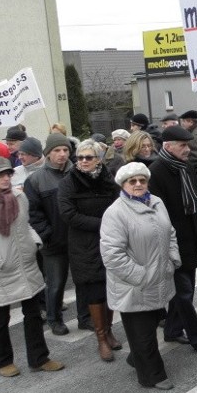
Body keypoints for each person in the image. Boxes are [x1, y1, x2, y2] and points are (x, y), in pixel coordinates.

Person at [100, 162, 179, 390]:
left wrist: (172, 258)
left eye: (142, 180)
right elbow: (112, 255)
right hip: (134, 285)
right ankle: (152, 376)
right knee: (143, 333)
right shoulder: (115, 213)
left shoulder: (157, 202)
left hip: (159, 277)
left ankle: (136, 357)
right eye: (132, 181)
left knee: (151, 323)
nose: (138, 184)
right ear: (123, 185)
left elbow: (169, 232)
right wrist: (141, 276)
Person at [0, 157, 64, 377]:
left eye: (7, 173)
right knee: (0, 319)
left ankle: (39, 358)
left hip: (27, 265)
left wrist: (34, 243)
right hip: (0, 270)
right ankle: (2, 361)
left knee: (34, 314)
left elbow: (26, 224)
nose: (5, 178)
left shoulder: (18, 196)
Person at [149, 125, 197, 356]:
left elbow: (195, 202)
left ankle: (172, 329)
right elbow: (157, 215)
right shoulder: (156, 172)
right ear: (168, 146)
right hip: (172, 244)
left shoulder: (185, 167)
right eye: (183, 145)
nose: (188, 149)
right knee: (184, 294)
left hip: (191, 239)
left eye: (188, 145)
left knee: (185, 292)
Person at [58, 139, 122, 362]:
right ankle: (101, 338)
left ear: (98, 160)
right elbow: (68, 214)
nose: (83, 161)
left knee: (111, 289)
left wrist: (112, 226)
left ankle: (110, 329)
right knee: (95, 290)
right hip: (84, 243)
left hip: (110, 241)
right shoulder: (69, 182)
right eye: (80, 157)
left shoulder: (107, 178)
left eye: (89, 157)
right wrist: (102, 224)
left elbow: (118, 203)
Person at [24, 132, 80, 335]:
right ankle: (54, 318)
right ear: (48, 153)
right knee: (55, 285)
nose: (62, 154)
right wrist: (47, 234)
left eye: (65, 150)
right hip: (53, 243)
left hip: (78, 240)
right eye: (57, 150)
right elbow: (33, 212)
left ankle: (85, 317)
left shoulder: (78, 173)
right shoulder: (36, 179)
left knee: (83, 281)